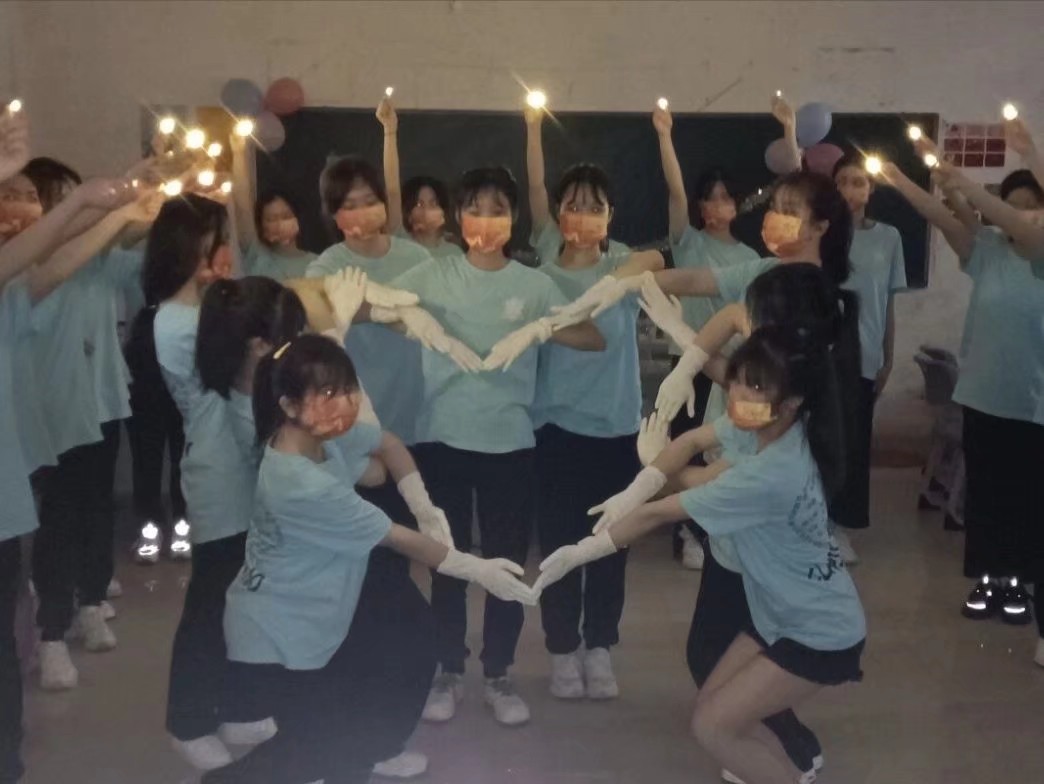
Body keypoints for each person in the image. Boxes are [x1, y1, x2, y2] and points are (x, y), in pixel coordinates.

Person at [535, 325, 866, 784]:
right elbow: (690, 443)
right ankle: (790, 771)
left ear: (791, 402)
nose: (738, 394)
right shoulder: (763, 427)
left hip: (818, 630)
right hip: (780, 614)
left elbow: (660, 511)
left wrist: (579, 552)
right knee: (717, 708)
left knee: (712, 726)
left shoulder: (772, 474)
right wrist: (651, 471)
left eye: (756, 386)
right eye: (739, 379)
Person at [202, 334, 534, 784]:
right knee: (310, 749)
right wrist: (479, 569)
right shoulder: (299, 483)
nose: (345, 403)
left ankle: (363, 754)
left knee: (344, 726)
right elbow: (399, 539)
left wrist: (423, 506)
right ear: (289, 405)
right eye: (327, 392)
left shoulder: (319, 436)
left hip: (314, 615)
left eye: (346, 388)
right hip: (280, 634)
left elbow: (389, 445)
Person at [389, 165, 605, 727]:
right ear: (458, 217)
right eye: (475, 209)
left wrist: (541, 327)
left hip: (509, 443)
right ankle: (447, 669)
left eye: (498, 210)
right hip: (442, 437)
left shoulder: (532, 284)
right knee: (449, 561)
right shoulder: (434, 272)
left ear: (514, 219)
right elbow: (376, 307)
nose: (486, 220)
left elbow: (592, 335)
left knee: (506, 565)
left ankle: (499, 673)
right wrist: (412, 319)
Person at [143, 195, 293, 770]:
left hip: (238, 465)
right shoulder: (179, 320)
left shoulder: (203, 307)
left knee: (243, 598)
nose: (224, 251)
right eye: (215, 239)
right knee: (210, 604)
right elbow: (237, 389)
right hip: (217, 475)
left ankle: (239, 705)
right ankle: (187, 720)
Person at [524, 106, 665, 699]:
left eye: (594, 206)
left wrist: (614, 280)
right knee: (560, 546)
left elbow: (657, 259)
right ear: (557, 214)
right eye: (573, 204)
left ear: (610, 217)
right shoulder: (543, 264)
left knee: (610, 545)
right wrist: (533, 127)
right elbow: (534, 186)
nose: (581, 214)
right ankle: (562, 650)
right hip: (555, 428)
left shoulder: (620, 263)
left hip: (615, 430)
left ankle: (599, 647)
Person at [881, 153, 1044, 658]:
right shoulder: (989, 250)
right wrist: (901, 180)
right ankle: (990, 577)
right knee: (987, 494)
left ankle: (1020, 580)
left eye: (1030, 207)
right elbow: (939, 214)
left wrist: (972, 182)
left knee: (1027, 497)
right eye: (1012, 206)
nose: (1020, 216)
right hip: (983, 398)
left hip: (1033, 404)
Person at [21, 158, 159, 689]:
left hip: (103, 400)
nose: (76, 209)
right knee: (61, 514)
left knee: (98, 508)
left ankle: (91, 601)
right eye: (60, 199)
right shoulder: (33, 266)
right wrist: (117, 210)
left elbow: (133, 234)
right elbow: (82, 244)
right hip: (55, 408)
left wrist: (144, 188)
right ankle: (51, 631)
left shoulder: (100, 261)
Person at [652, 101, 764, 571]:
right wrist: (665, 136)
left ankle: (719, 525)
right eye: (709, 198)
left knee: (727, 451)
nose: (717, 206)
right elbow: (675, 195)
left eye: (725, 198)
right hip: (691, 364)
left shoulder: (750, 256)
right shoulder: (690, 243)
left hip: (732, 369)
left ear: (737, 205)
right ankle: (687, 530)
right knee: (687, 447)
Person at [305, 155, 434, 444]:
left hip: (420, 417)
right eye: (349, 206)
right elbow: (318, 319)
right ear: (333, 214)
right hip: (359, 419)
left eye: (370, 201)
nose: (362, 212)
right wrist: (382, 310)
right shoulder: (326, 267)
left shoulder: (417, 257)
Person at [831, 152, 907, 537]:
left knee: (856, 443)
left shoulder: (889, 237)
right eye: (841, 182)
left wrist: (889, 359)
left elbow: (888, 303)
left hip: (867, 355)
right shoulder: (822, 234)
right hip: (827, 354)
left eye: (857, 182)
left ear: (871, 188)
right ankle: (818, 520)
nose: (849, 190)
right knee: (824, 439)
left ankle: (844, 525)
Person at [376, 97, 461, 258]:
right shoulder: (400, 242)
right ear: (408, 213)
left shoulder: (454, 253)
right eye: (419, 204)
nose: (427, 210)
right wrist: (389, 131)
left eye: (433, 203)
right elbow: (392, 192)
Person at [229, 132, 316, 281]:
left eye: (286, 216)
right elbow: (242, 207)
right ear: (261, 225)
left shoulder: (318, 264)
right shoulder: (257, 256)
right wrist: (238, 153)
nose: (279, 224)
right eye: (271, 219)